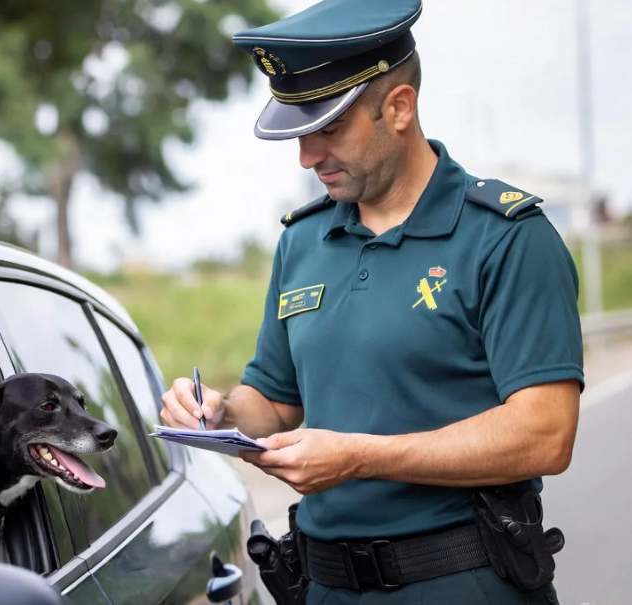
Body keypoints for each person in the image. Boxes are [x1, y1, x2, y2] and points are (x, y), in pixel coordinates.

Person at [160, 1, 583, 603]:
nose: (307, 157)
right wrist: (221, 412)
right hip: (323, 586)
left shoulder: (506, 236)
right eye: (300, 133)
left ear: (399, 108)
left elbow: (545, 435)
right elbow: (276, 403)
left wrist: (359, 457)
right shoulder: (302, 241)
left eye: (328, 129)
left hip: (461, 583)